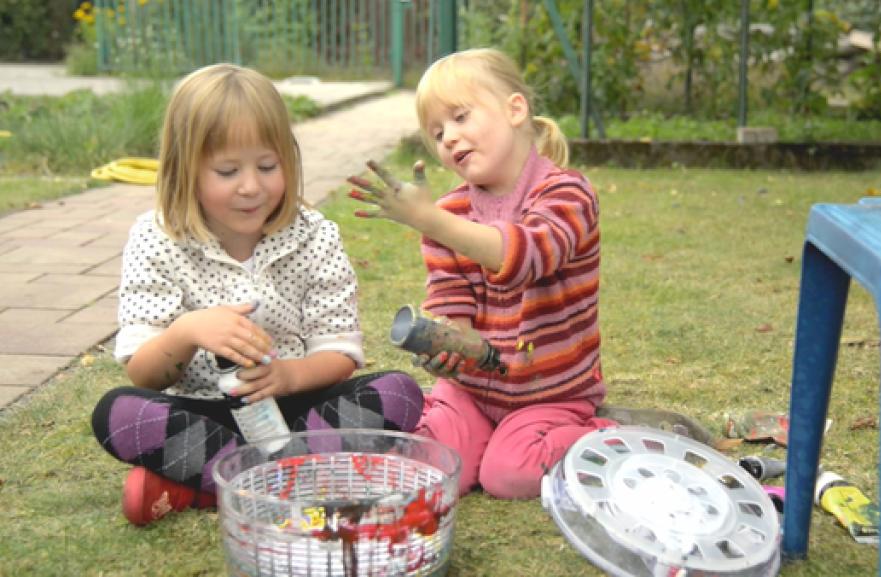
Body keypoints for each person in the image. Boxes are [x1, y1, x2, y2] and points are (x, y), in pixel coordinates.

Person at [91, 63, 424, 526]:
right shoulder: (156, 239)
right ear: (184, 170)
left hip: (298, 412)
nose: (252, 186)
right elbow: (144, 374)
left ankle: (202, 490)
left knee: (400, 394)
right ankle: (296, 481)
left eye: (268, 166)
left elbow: (339, 351)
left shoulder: (314, 236)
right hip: (206, 417)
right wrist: (187, 332)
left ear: (287, 160)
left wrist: (288, 377)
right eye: (228, 170)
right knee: (119, 413)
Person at [347, 48, 618, 499]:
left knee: (507, 476)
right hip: (473, 391)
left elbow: (529, 256)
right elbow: (451, 304)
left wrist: (431, 221)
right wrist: (445, 346)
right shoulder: (450, 211)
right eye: (437, 132)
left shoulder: (567, 192)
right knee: (431, 468)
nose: (449, 138)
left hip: (550, 391)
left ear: (515, 109)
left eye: (460, 117)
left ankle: (607, 437)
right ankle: (476, 433)